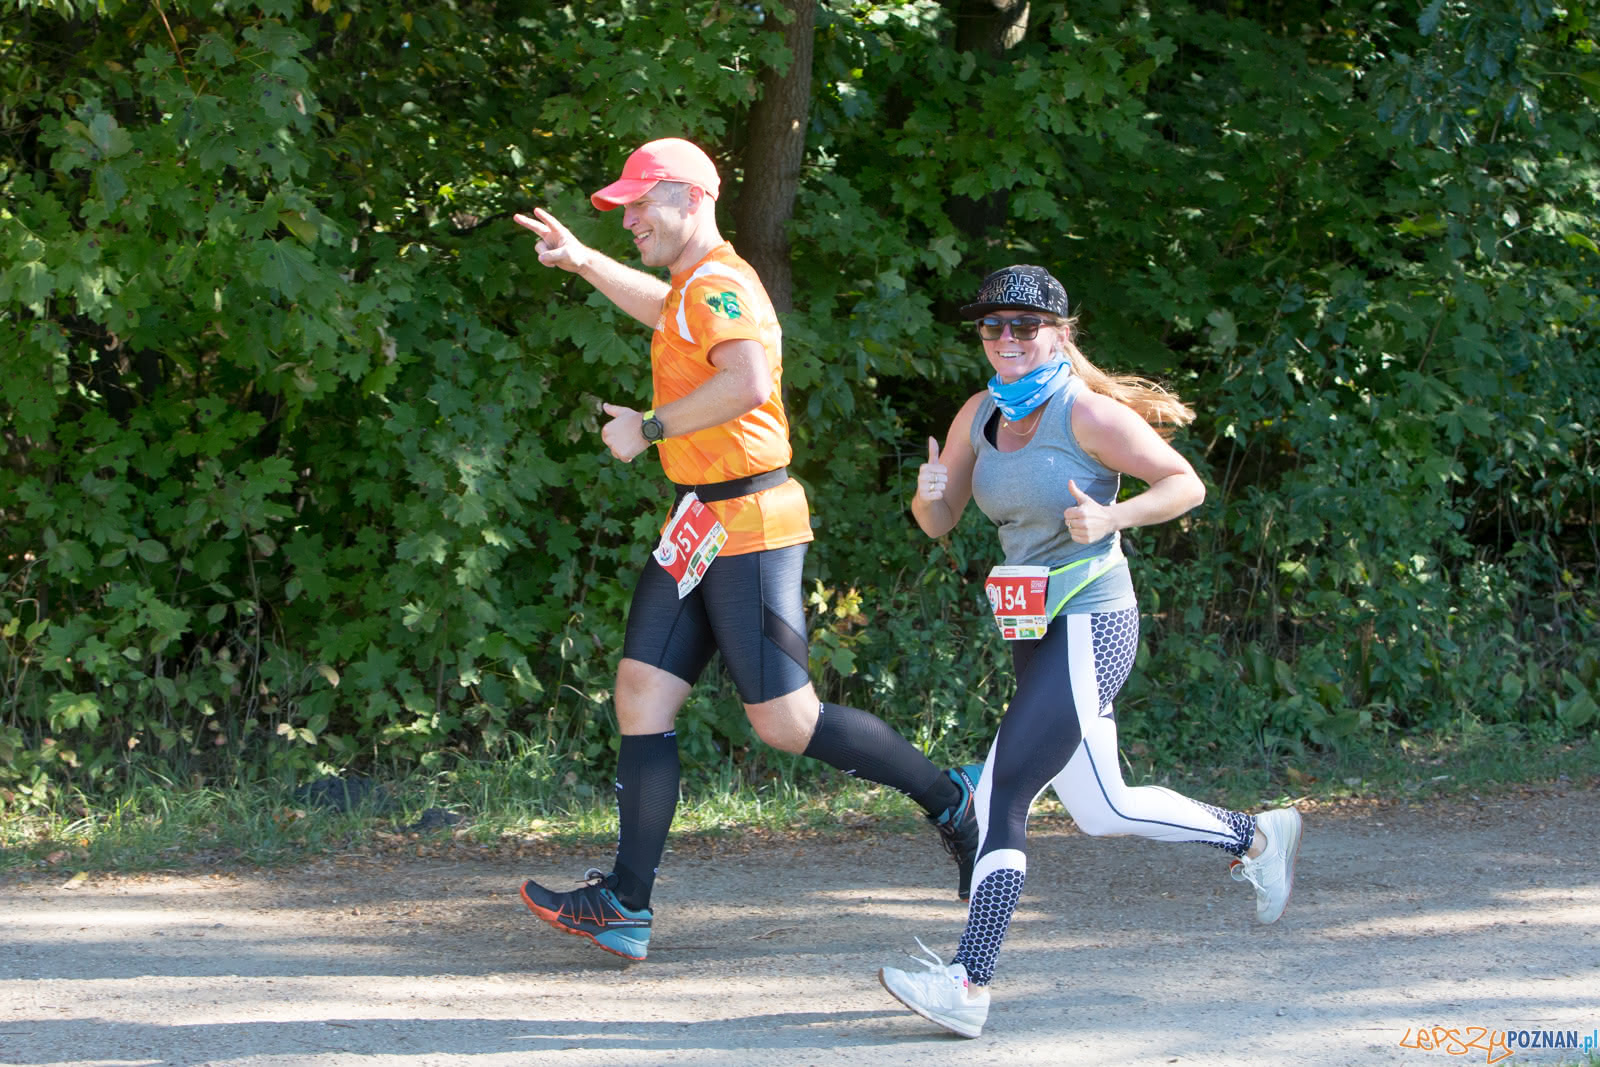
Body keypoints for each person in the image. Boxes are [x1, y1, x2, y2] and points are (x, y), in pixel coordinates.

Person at [511, 137, 980, 962]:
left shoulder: (721, 280)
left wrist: (649, 427)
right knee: (640, 694)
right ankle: (625, 903)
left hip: (751, 521)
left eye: (639, 205)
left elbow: (748, 383)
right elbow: (664, 312)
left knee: (785, 721)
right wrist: (583, 262)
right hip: (699, 520)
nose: (630, 221)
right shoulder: (691, 286)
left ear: (691, 198)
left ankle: (951, 801)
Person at [877, 265, 1303, 1037]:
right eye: (992, 326)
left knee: (1001, 789)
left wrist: (1113, 519)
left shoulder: (1088, 415)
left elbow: (1185, 484)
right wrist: (928, 486)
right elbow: (938, 521)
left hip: (1093, 621)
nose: (1006, 339)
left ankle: (968, 981)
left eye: (1024, 326)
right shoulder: (982, 412)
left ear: (1059, 333)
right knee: (1104, 807)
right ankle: (1258, 834)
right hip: (1033, 631)